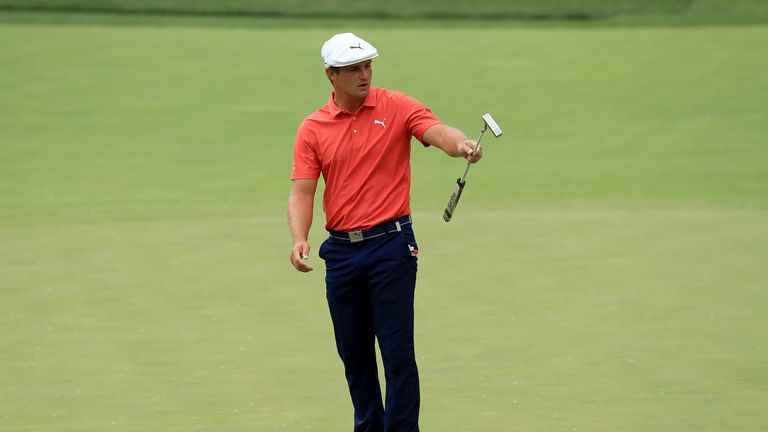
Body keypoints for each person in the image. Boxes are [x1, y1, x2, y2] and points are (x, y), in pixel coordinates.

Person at [287, 32, 482, 432]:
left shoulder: (396, 105)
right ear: (331, 74)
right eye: (353, 69)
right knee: (355, 356)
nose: (364, 74)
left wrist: (461, 144)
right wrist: (299, 237)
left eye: (368, 66)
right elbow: (302, 191)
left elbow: (435, 130)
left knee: (397, 354)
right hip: (341, 253)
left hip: (392, 246)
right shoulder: (313, 128)